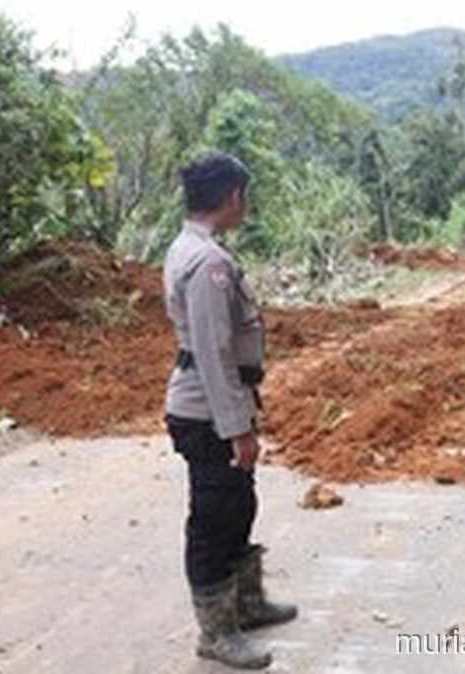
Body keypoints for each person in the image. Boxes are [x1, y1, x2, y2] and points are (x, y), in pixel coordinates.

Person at [164, 152, 297, 670]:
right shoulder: (209, 264)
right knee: (214, 517)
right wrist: (238, 429)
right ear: (232, 197)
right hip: (207, 411)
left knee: (239, 503)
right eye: (246, 195)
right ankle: (216, 634)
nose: (247, 203)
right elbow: (216, 356)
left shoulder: (191, 247)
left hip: (213, 405)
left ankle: (245, 603)